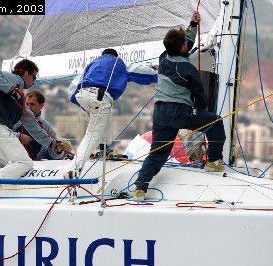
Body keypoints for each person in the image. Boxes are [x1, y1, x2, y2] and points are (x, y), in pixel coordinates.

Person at [132, 11, 226, 201]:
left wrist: (193, 24)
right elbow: (200, 95)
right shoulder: (187, 69)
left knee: (157, 154)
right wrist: (202, 114)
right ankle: (213, 161)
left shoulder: (163, 58)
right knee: (215, 122)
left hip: (159, 113)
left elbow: (186, 44)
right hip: (179, 112)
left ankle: (140, 189)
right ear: (182, 48)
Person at [0, 59, 58, 199]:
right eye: (34, 76)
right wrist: (11, 90)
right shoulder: (14, 80)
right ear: (26, 73)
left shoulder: (19, 97)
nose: (34, 81)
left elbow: (32, 123)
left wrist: (51, 143)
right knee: (24, 163)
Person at [66, 48, 157, 178]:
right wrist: (157, 74)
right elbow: (143, 74)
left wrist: (80, 101)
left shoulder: (92, 64)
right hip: (100, 97)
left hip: (83, 96)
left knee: (103, 121)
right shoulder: (119, 63)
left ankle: (104, 149)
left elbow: (72, 88)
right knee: (92, 135)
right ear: (116, 56)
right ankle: (74, 169)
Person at [13, 91, 57, 159]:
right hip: (12, 159)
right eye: (26, 104)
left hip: (34, 165)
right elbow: (1, 134)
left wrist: (59, 150)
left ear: (41, 106)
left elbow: (55, 155)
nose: (28, 107)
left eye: (32, 104)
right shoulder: (15, 121)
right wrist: (18, 136)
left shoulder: (47, 128)